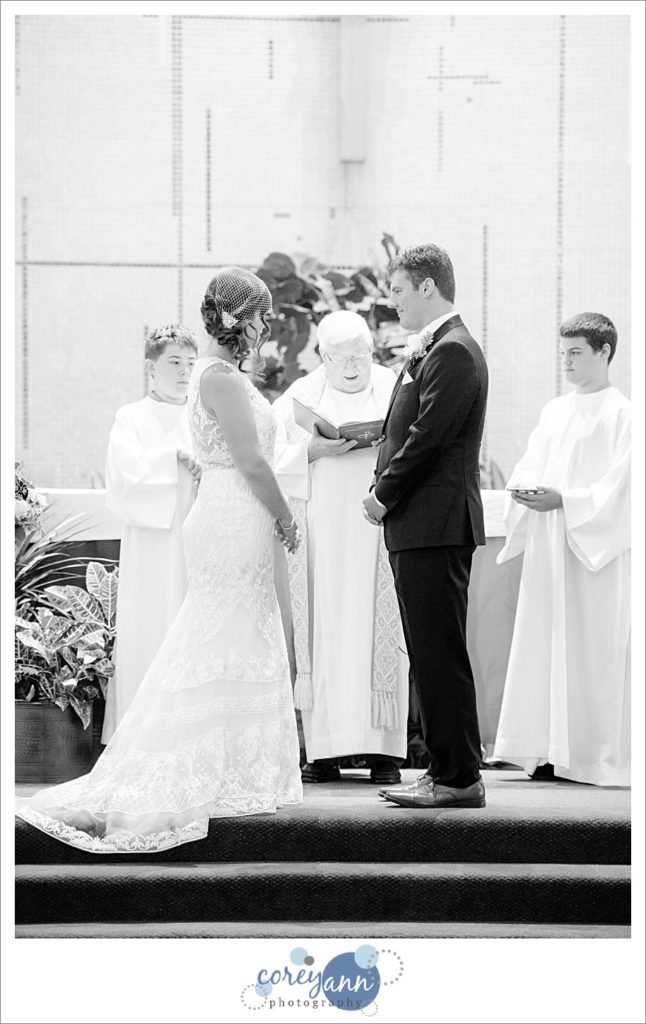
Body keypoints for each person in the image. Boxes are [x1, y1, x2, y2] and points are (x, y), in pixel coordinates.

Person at [16, 268, 303, 852]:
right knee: (213, 639)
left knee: (239, 638)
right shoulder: (219, 378)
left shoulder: (221, 376)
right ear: (237, 319)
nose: (266, 325)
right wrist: (286, 516)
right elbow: (250, 461)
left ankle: (236, 771)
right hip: (232, 513)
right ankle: (173, 770)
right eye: (260, 315)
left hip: (235, 513)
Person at [362, 243, 489, 809]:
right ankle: (444, 768)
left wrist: (382, 496)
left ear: (427, 288)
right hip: (423, 526)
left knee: (440, 652)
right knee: (429, 650)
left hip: (435, 523)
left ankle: (459, 778)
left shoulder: (454, 351)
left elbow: (428, 438)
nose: (392, 303)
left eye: (396, 290)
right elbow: (405, 428)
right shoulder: (434, 349)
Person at [493, 313, 630, 787]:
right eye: (563, 353)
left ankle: (589, 755)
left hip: (591, 556)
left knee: (589, 654)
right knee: (544, 645)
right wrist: (523, 490)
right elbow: (532, 463)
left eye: (576, 353)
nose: (566, 362)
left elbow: (622, 491)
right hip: (550, 547)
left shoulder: (624, 414)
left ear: (605, 351)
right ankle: (545, 751)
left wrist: (567, 502)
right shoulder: (554, 410)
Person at [273, 310, 408, 786]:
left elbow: (417, 441)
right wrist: (313, 450)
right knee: (328, 628)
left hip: (379, 527)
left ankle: (384, 753)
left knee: (379, 631)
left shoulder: (395, 385)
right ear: (322, 356)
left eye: (360, 356)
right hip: (324, 535)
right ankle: (325, 751)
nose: (352, 367)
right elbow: (270, 455)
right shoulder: (302, 396)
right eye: (340, 357)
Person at [101, 324, 200, 743]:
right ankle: (140, 738)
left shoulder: (203, 413)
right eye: (174, 363)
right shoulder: (132, 417)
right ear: (150, 367)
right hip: (152, 546)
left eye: (190, 364)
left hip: (197, 540)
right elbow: (124, 478)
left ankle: (189, 733)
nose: (184, 372)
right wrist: (172, 458)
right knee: (150, 630)